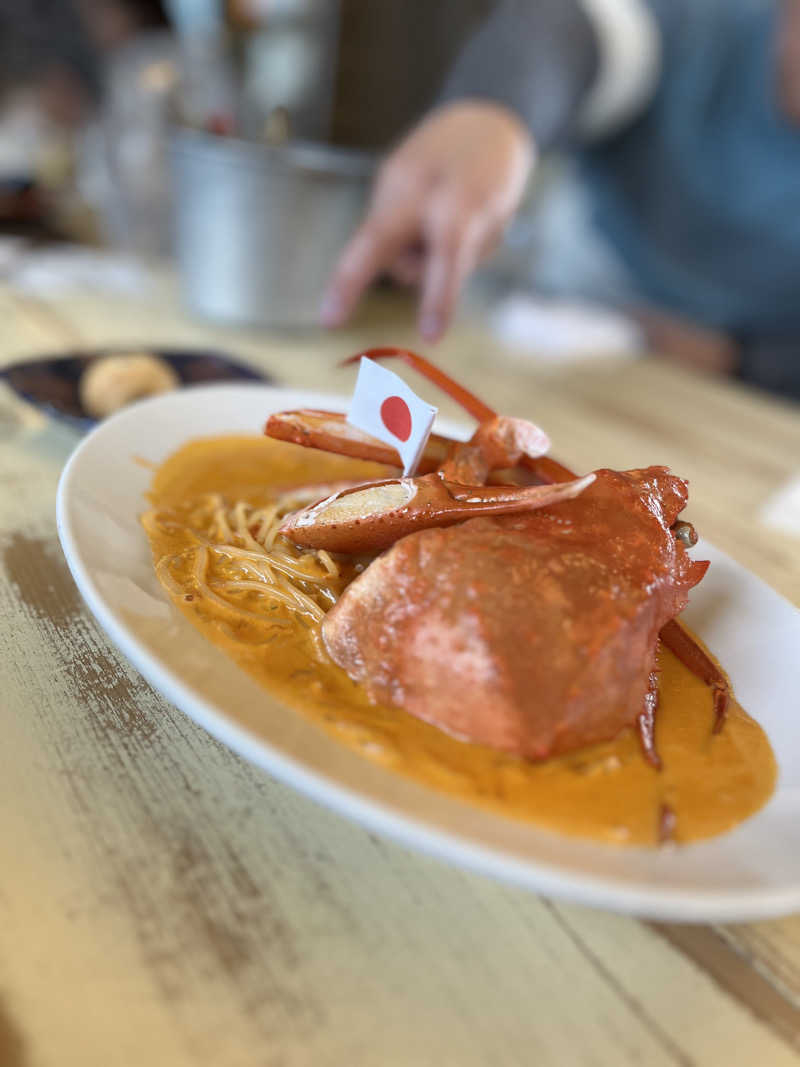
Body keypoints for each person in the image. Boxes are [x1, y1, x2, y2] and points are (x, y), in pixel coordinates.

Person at [321, 0, 800, 399]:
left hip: (745, 392)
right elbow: (578, 27)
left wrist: (740, 357)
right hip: (569, 321)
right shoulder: (708, 24)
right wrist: (493, 113)